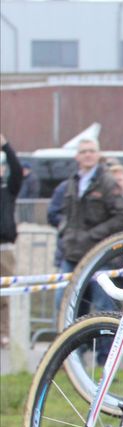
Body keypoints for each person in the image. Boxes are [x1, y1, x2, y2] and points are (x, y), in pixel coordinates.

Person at [55, 138, 123, 275]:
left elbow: (122, 215)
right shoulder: (72, 182)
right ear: (77, 156)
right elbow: (66, 212)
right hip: (71, 253)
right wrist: (64, 231)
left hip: (99, 254)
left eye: (91, 151)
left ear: (98, 155)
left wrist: (93, 234)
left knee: (99, 296)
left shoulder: (108, 182)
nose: (87, 155)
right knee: (64, 296)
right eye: (83, 152)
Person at [1, 133, 24, 348]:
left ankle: (4, 333)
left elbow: (17, 170)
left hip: (4, 248)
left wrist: (6, 146)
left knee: (5, 294)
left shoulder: (7, 190)